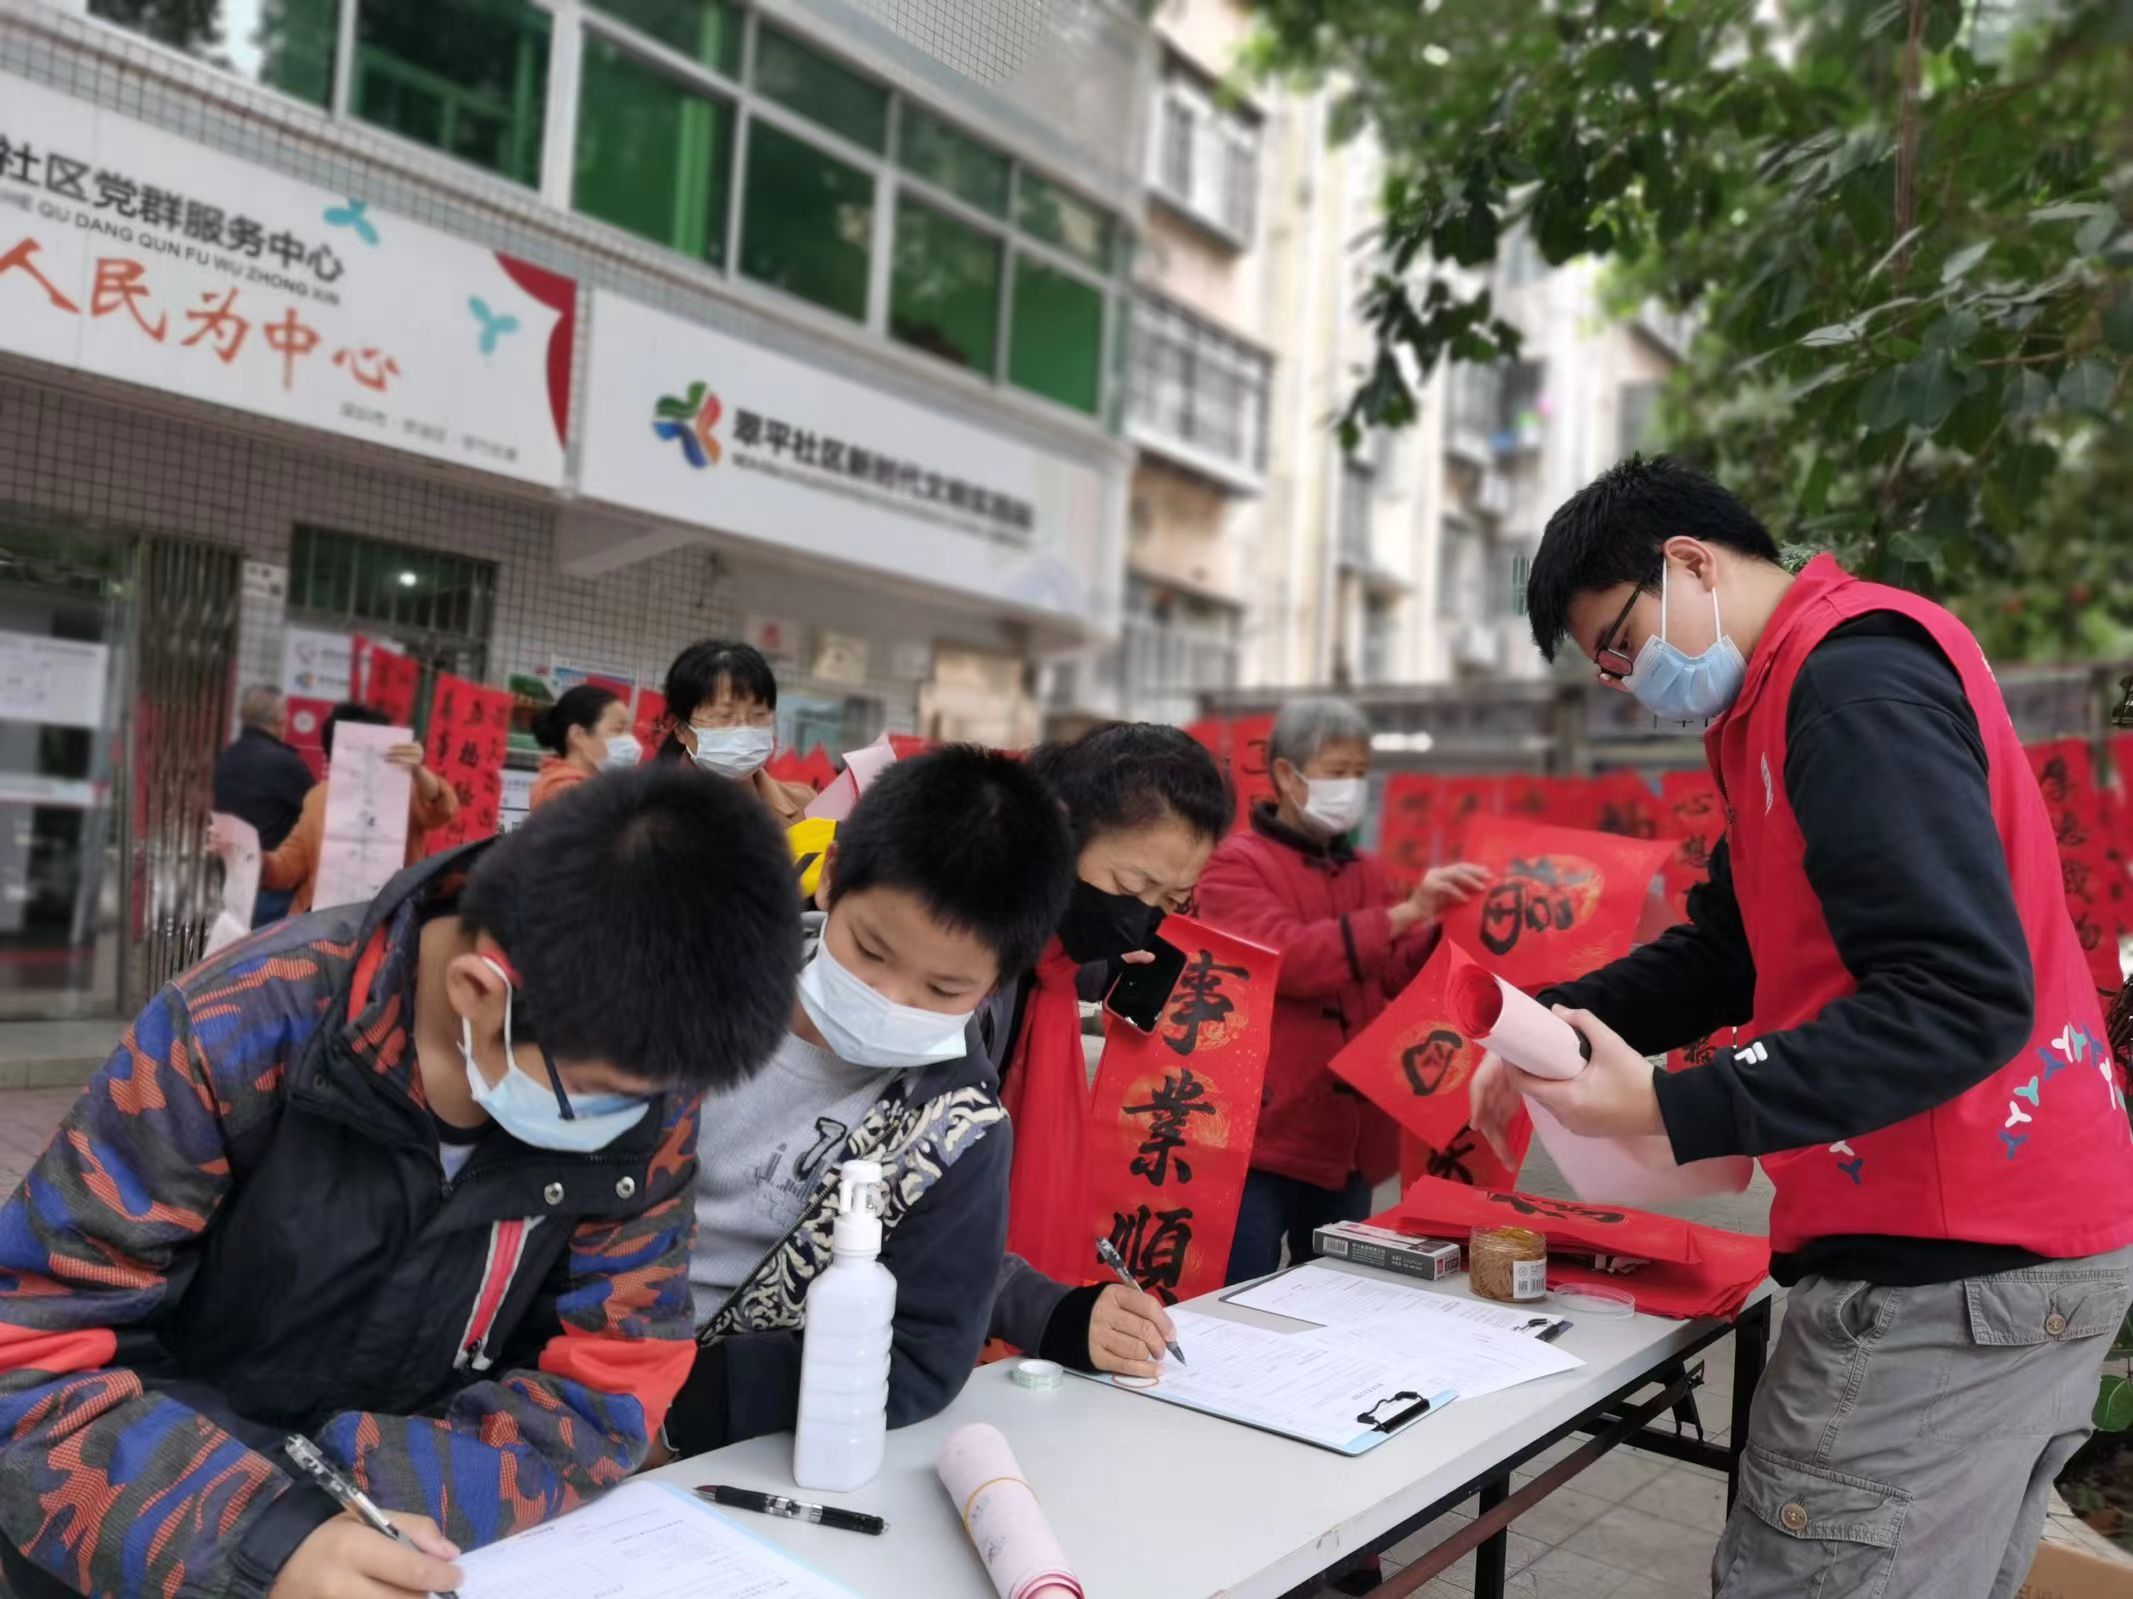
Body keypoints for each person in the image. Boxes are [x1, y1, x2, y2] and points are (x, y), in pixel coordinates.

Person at [1470, 455, 2133, 1599]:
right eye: (1607, 670)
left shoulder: (1850, 686)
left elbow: (1959, 996)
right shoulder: (1783, 701)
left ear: (1689, 563)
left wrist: (1672, 1105)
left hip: (1951, 1268)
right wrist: (1555, 1023)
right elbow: (1732, 949)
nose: (1630, 683)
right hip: (1996, 1250)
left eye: (1622, 644)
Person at [0, 765, 802, 1599]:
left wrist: (355, 1507)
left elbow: (611, 1382)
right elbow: (29, 1361)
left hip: (398, 1547)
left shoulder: (639, 1083)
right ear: (479, 990)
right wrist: (265, 1537)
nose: (635, 1119)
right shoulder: (235, 1030)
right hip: (143, 1536)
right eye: (607, 1091)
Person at [656, 745, 1075, 1460]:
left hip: (705, 1442)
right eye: (871, 951)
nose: (891, 998)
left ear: (999, 979)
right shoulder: (690, 982)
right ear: (832, 874)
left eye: (943, 989)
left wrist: (683, 1417)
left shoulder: (957, 1134)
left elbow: (921, 1355)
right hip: (544, 1359)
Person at [1195, 697, 1489, 1283]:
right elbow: (1290, 959)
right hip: (1260, 1139)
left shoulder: (1367, 872)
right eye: (1337, 772)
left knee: (1333, 1296)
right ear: (1287, 775)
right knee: (1238, 1296)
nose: (1351, 787)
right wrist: (1406, 915)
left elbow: (1395, 975)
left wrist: (1445, 925)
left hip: (1349, 1142)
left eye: (1360, 773)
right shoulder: (1235, 865)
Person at [985, 723, 1235, 1379]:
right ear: (1059, 833)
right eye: (1130, 884)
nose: (1140, 917)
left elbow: (1074, 953)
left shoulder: (1051, 959)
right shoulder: (964, 965)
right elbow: (918, 1195)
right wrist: (1042, 1310)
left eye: (1170, 900)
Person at [258, 702, 460, 915]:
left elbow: (443, 810)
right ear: (334, 754)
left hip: (388, 918)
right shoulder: (318, 798)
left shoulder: (404, 790)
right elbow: (288, 865)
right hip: (322, 921)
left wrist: (418, 771)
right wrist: (255, 861)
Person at [657, 640, 815, 824]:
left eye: (759, 714)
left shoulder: (807, 805)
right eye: (724, 716)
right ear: (682, 730)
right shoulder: (650, 812)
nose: (744, 730)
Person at [211, 684, 315, 926]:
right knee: (273, 949)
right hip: (271, 884)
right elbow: (317, 809)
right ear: (279, 717)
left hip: (232, 878)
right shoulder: (284, 764)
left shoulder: (228, 757)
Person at [529, 683, 639, 809]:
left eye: (628, 731)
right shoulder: (565, 790)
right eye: (618, 730)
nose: (629, 739)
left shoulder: (590, 786)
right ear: (577, 736)